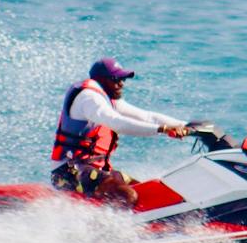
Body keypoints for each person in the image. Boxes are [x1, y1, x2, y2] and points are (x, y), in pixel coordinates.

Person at [51, 58, 189, 207]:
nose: (121, 83)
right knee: (128, 195)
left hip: (94, 170)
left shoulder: (106, 97)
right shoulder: (89, 98)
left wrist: (186, 126)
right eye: (116, 79)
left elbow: (148, 117)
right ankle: (115, 228)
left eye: (122, 79)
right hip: (69, 173)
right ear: (102, 80)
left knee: (146, 190)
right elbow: (117, 123)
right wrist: (162, 130)